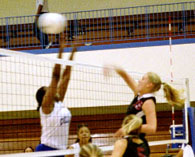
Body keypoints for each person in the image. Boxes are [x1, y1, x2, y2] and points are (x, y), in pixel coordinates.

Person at [104, 65, 185, 154]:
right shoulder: (139, 95)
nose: (139, 81)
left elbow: (152, 127)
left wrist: (128, 128)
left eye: (143, 79)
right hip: (130, 140)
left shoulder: (148, 102)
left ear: (149, 85)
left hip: (137, 143)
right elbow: (126, 77)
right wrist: (113, 67)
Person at [35, 34, 77, 154]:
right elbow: (56, 76)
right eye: (48, 89)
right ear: (44, 98)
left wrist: (73, 50)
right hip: (46, 151)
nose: (52, 89)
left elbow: (66, 76)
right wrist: (61, 49)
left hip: (60, 152)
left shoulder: (58, 103)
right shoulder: (46, 107)